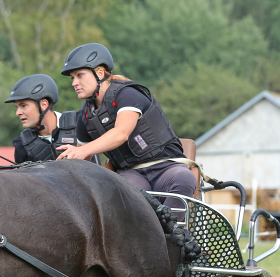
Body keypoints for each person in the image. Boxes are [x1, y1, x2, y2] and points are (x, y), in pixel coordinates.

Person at [55, 43, 197, 210]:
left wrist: (81, 150)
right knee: (121, 191)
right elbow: (82, 159)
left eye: (79, 75)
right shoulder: (85, 115)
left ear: (99, 73)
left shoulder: (127, 94)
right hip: (131, 172)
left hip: (165, 167)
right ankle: (143, 234)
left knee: (184, 178)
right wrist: (64, 166)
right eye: (73, 78)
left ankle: (171, 235)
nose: (74, 83)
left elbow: (121, 133)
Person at [5, 74, 63, 164]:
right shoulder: (22, 144)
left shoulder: (80, 123)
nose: (17, 113)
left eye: (23, 105)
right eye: (17, 107)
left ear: (44, 104)